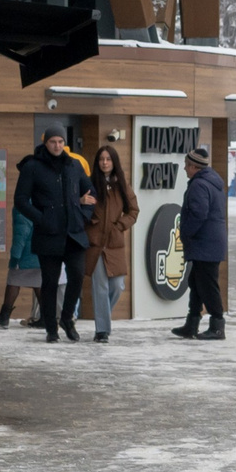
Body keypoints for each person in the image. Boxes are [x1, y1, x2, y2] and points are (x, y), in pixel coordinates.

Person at [13, 128, 95, 342]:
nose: (57, 146)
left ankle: (67, 318)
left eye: (60, 141)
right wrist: (42, 218)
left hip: (74, 233)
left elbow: (90, 192)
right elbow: (21, 201)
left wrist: (83, 214)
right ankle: (51, 328)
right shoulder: (32, 167)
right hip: (48, 234)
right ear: (45, 142)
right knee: (49, 282)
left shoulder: (74, 165)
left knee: (77, 275)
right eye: (53, 141)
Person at [170, 143, 229, 341]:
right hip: (210, 242)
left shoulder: (199, 185)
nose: (185, 168)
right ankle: (192, 323)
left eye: (187, 165)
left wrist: (185, 233)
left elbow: (198, 214)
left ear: (195, 167)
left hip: (205, 243)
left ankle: (217, 325)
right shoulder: (212, 183)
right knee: (196, 282)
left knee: (207, 284)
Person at [80, 142, 137, 342]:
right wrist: (81, 203)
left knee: (117, 285)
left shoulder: (122, 185)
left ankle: (103, 318)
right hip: (94, 241)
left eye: (108, 159)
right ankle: (102, 331)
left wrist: (120, 225)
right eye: (101, 159)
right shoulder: (88, 183)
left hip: (114, 242)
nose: (105, 163)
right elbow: (76, 205)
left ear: (114, 162)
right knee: (100, 286)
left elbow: (133, 211)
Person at [0, 206, 39, 328]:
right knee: (38, 283)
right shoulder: (38, 202)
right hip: (38, 252)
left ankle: (4, 316)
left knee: (13, 281)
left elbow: (21, 233)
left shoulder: (23, 207)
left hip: (25, 255)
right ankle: (46, 318)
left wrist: (15, 255)